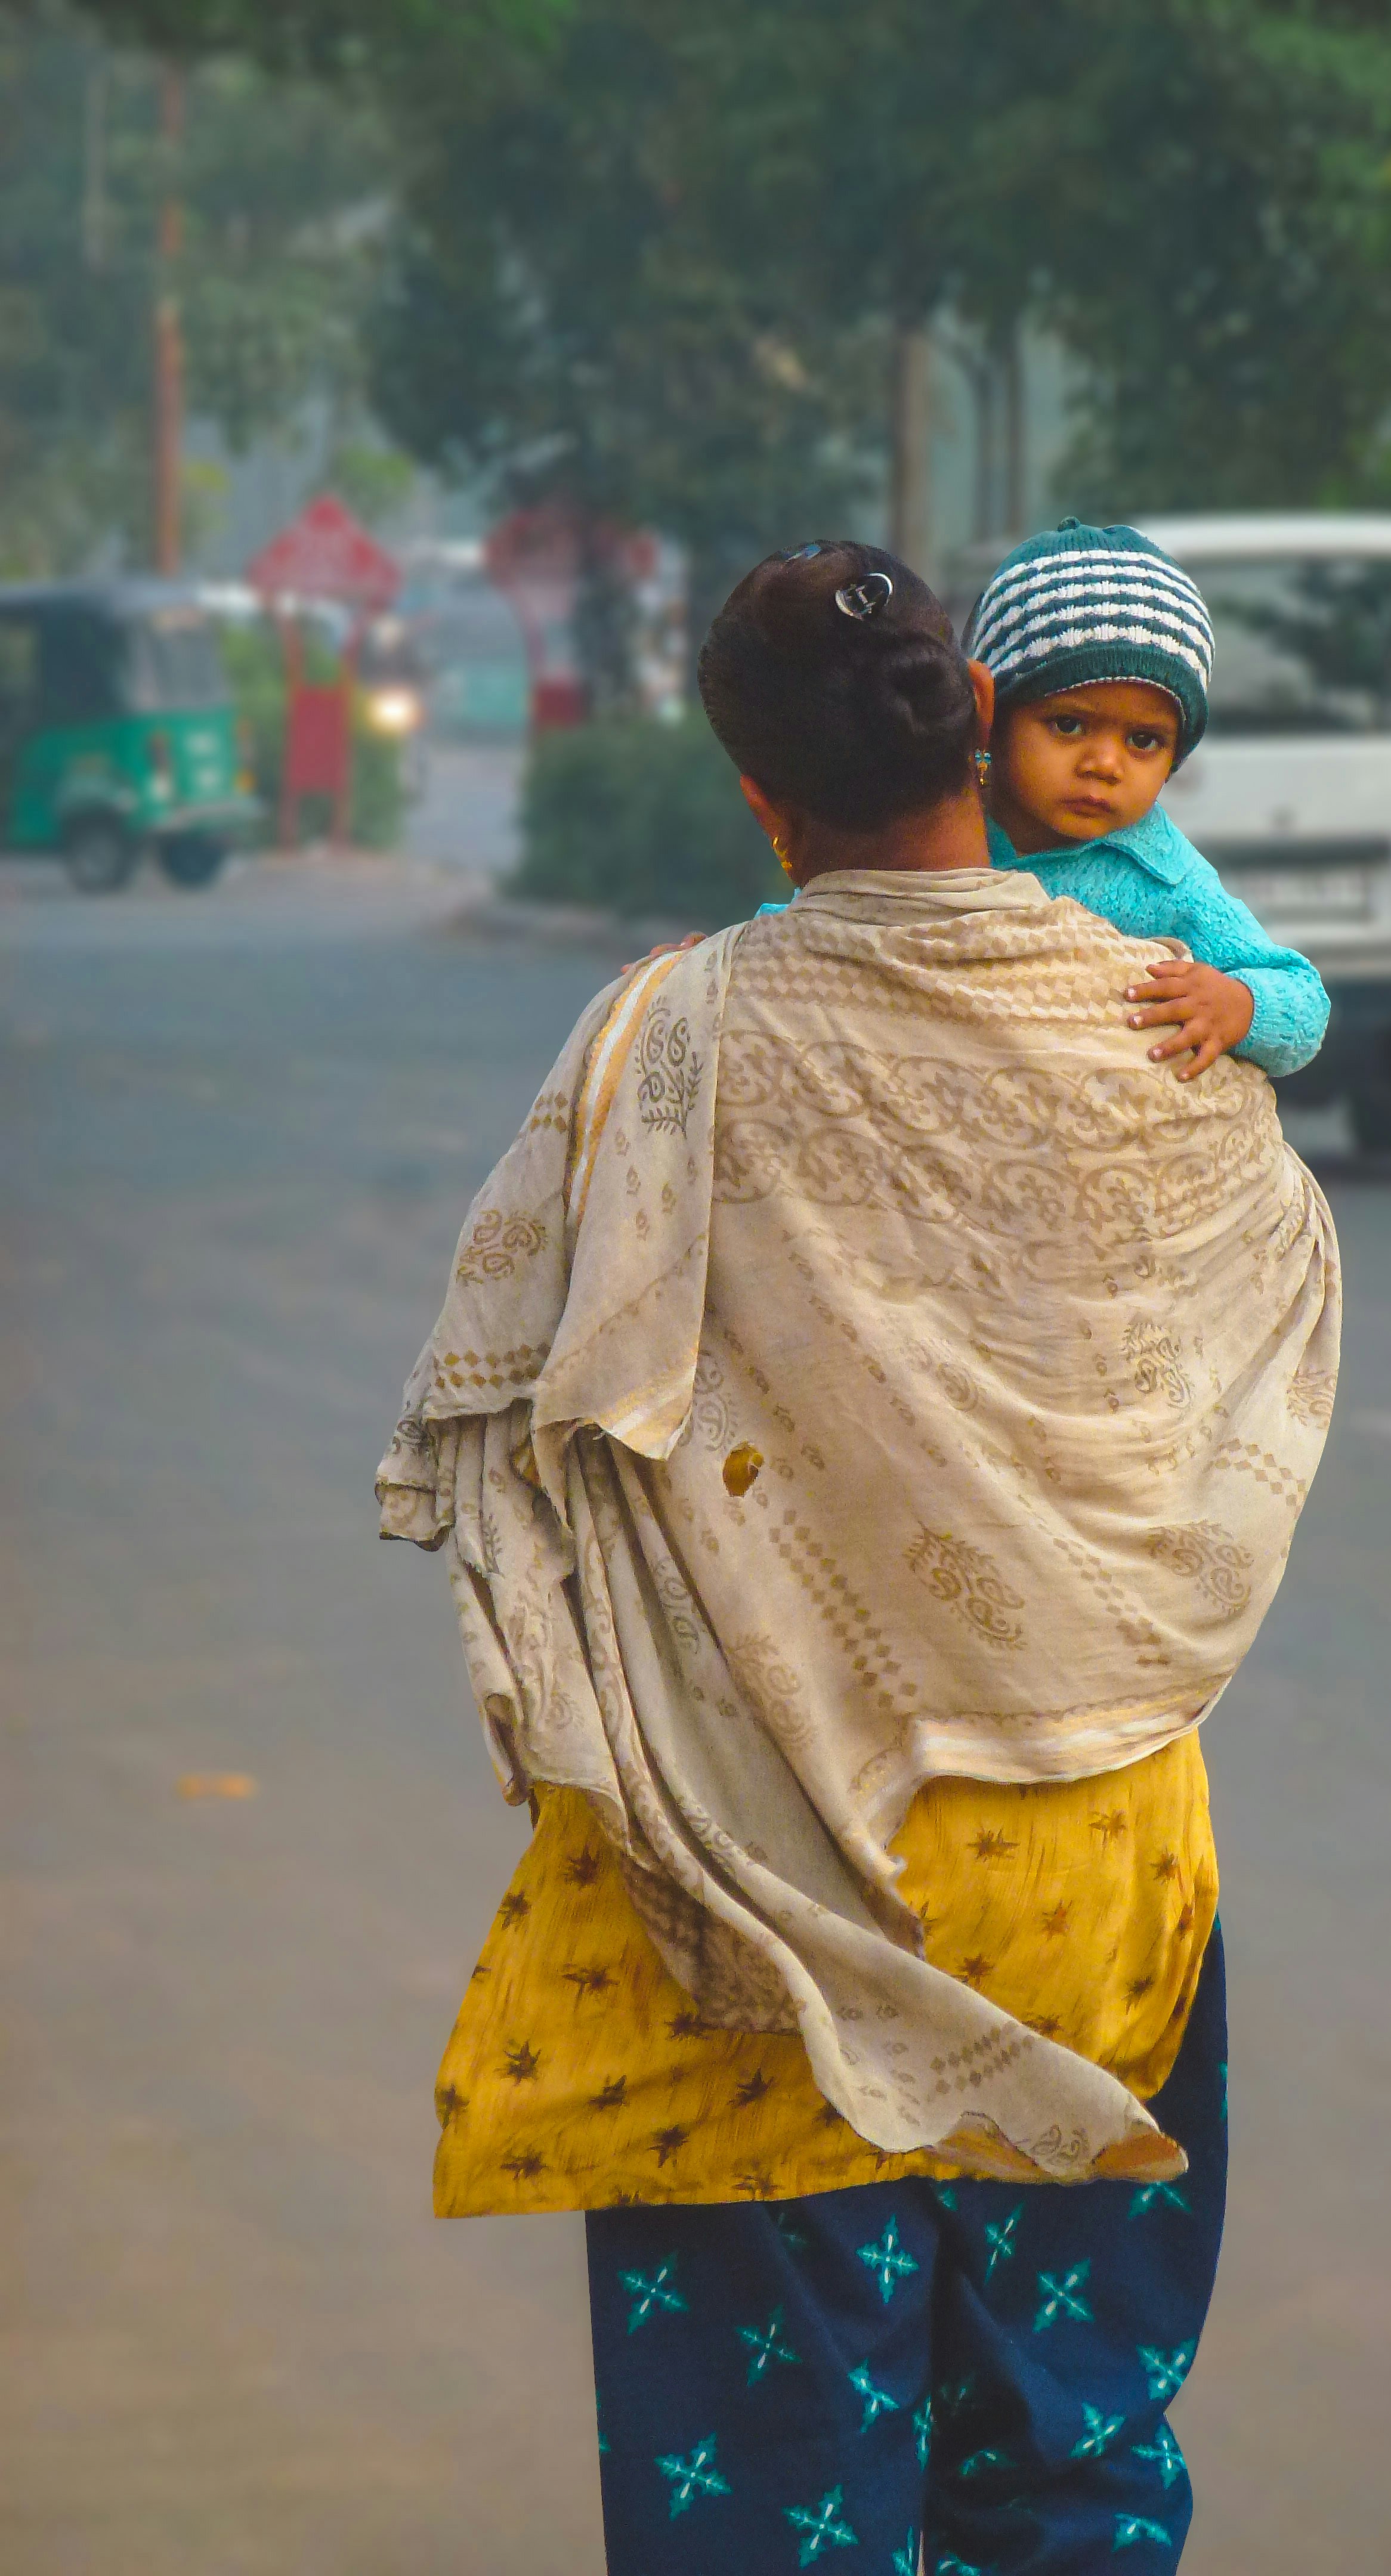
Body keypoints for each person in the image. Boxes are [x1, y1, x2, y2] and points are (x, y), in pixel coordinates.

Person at [376, 539, 1340, 2576]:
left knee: (778, 2490)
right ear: (981, 722)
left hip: (766, 1886)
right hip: (1099, 1863)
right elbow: (1263, 1359)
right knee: (1065, 2457)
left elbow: (519, 1424)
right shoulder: (1169, 1026)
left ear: (760, 797)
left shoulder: (667, 1041)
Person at [967, 515, 1330, 1086]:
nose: (1105, 765)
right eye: (1068, 724)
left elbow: (1304, 1003)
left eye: (1143, 741)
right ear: (991, 717)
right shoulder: (936, 827)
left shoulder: (1164, 880)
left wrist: (1237, 1004)